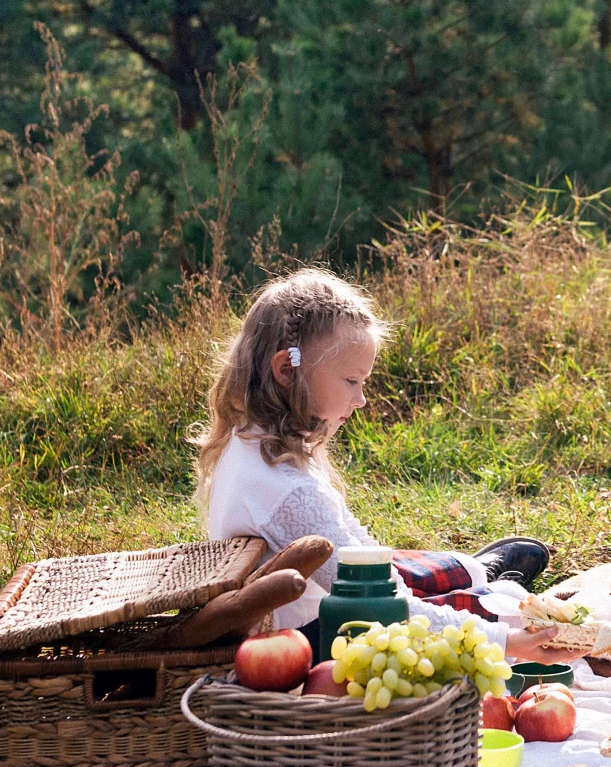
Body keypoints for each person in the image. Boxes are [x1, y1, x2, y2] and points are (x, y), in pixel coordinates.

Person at [193, 268, 571, 661]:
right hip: (316, 648)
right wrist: (505, 643)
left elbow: (354, 544)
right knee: (501, 608)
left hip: (327, 613)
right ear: (287, 371)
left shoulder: (252, 439)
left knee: (411, 573)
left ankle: (473, 574)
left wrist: (390, 577)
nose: (361, 401)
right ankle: (484, 585)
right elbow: (384, 611)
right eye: (352, 381)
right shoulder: (286, 490)